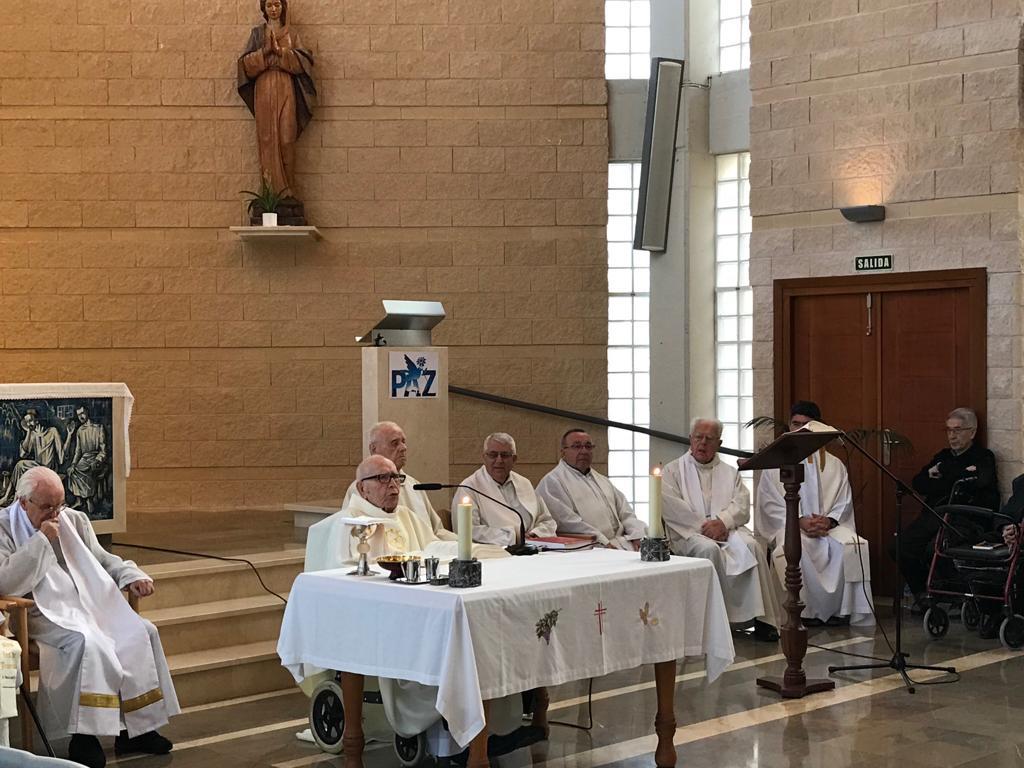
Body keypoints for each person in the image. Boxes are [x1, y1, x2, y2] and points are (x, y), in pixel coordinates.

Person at [302, 456, 518, 756]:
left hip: (420, 612)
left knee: (480, 647)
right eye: (383, 478)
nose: (393, 485)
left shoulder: (406, 516)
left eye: (396, 478)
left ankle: (477, 734)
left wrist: (483, 551)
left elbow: (431, 546)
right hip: (380, 625)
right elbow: (344, 578)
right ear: (362, 488)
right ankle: (451, 737)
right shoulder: (349, 524)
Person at [0, 468, 178, 768]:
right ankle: (84, 737)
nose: (55, 514)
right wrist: (41, 541)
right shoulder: (4, 527)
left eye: (59, 505)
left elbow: (102, 559)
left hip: (88, 604)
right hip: (40, 612)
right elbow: (5, 581)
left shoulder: (74, 519)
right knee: (87, 643)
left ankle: (137, 730)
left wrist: (130, 574)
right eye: (47, 507)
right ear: (23, 502)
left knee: (142, 631)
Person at [755, 401, 874, 626]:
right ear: (789, 425)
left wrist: (828, 521)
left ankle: (842, 611)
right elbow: (769, 505)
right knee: (792, 547)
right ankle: (801, 612)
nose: (800, 429)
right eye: (795, 424)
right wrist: (799, 521)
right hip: (792, 527)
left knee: (855, 545)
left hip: (828, 529)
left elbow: (843, 501)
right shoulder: (775, 463)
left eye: (806, 424)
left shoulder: (835, 464)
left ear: (818, 427)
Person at [662, 418, 783, 641]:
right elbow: (672, 508)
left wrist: (724, 522)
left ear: (719, 443)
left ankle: (762, 620)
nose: (702, 443)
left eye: (709, 439)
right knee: (709, 550)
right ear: (690, 439)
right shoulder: (672, 470)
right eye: (698, 437)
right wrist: (706, 527)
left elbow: (742, 504)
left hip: (726, 529)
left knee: (752, 546)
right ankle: (711, 624)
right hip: (690, 533)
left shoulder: (729, 472)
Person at [895, 407, 999, 611]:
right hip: (936, 514)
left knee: (935, 548)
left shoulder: (982, 456)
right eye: (949, 430)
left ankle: (955, 596)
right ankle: (922, 593)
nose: (952, 436)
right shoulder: (943, 456)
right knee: (900, 546)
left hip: (967, 518)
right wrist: (955, 475)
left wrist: (942, 472)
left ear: (972, 432)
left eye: (958, 430)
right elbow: (919, 483)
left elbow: (977, 483)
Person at [237, 0, 316, 197]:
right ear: (264, 8)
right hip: (264, 88)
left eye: (277, 5)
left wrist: (281, 52)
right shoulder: (258, 34)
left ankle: (288, 189)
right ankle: (271, 192)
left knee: (287, 138)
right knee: (267, 138)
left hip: (285, 86)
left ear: (283, 7)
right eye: (269, 5)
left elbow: (303, 61)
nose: (273, 9)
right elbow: (245, 65)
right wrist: (264, 52)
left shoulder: (292, 34)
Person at [535, 428, 647, 549]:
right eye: (577, 446)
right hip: (590, 547)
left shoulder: (602, 480)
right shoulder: (553, 482)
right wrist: (603, 541)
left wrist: (637, 535)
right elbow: (567, 522)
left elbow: (625, 512)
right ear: (563, 452)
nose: (584, 451)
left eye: (588, 446)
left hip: (622, 543)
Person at [340, 421, 451, 535]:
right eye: (395, 443)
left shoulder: (414, 485)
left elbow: (436, 531)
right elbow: (353, 534)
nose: (403, 448)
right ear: (374, 449)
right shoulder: (363, 488)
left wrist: (460, 542)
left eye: (403, 442)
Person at [452, 433, 557, 546]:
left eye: (505, 455)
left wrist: (535, 534)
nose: (499, 460)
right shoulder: (469, 488)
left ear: (514, 459)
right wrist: (514, 537)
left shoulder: (524, 483)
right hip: (494, 551)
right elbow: (468, 530)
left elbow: (547, 521)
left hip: (534, 547)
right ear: (484, 457)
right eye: (493, 455)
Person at [4, 410, 67, 505]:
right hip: (37, 466)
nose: (28, 424)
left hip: (49, 468)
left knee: (21, 466)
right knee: (19, 465)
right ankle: (8, 496)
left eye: (30, 421)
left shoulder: (52, 431)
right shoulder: (33, 434)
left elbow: (61, 456)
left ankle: (15, 499)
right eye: (26, 422)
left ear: (37, 420)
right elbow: (23, 454)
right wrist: (29, 432)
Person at [66, 407, 107, 518]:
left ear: (87, 412)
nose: (81, 417)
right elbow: (78, 451)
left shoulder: (98, 428)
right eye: (78, 415)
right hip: (84, 459)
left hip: (96, 457)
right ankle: (79, 500)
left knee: (87, 471)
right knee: (73, 471)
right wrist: (73, 464)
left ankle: (89, 500)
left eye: (82, 413)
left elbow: (103, 451)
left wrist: (98, 460)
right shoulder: (80, 430)